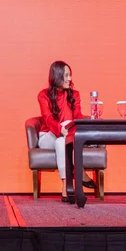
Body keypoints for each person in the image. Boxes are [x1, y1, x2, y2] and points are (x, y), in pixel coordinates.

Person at [37, 60, 94, 203]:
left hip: (66, 136)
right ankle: (80, 173)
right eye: (66, 75)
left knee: (62, 141)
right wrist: (60, 129)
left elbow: (78, 118)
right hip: (48, 136)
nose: (70, 79)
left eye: (70, 75)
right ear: (57, 76)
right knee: (61, 139)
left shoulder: (74, 95)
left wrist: (68, 132)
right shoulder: (43, 95)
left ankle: (65, 186)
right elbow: (48, 118)